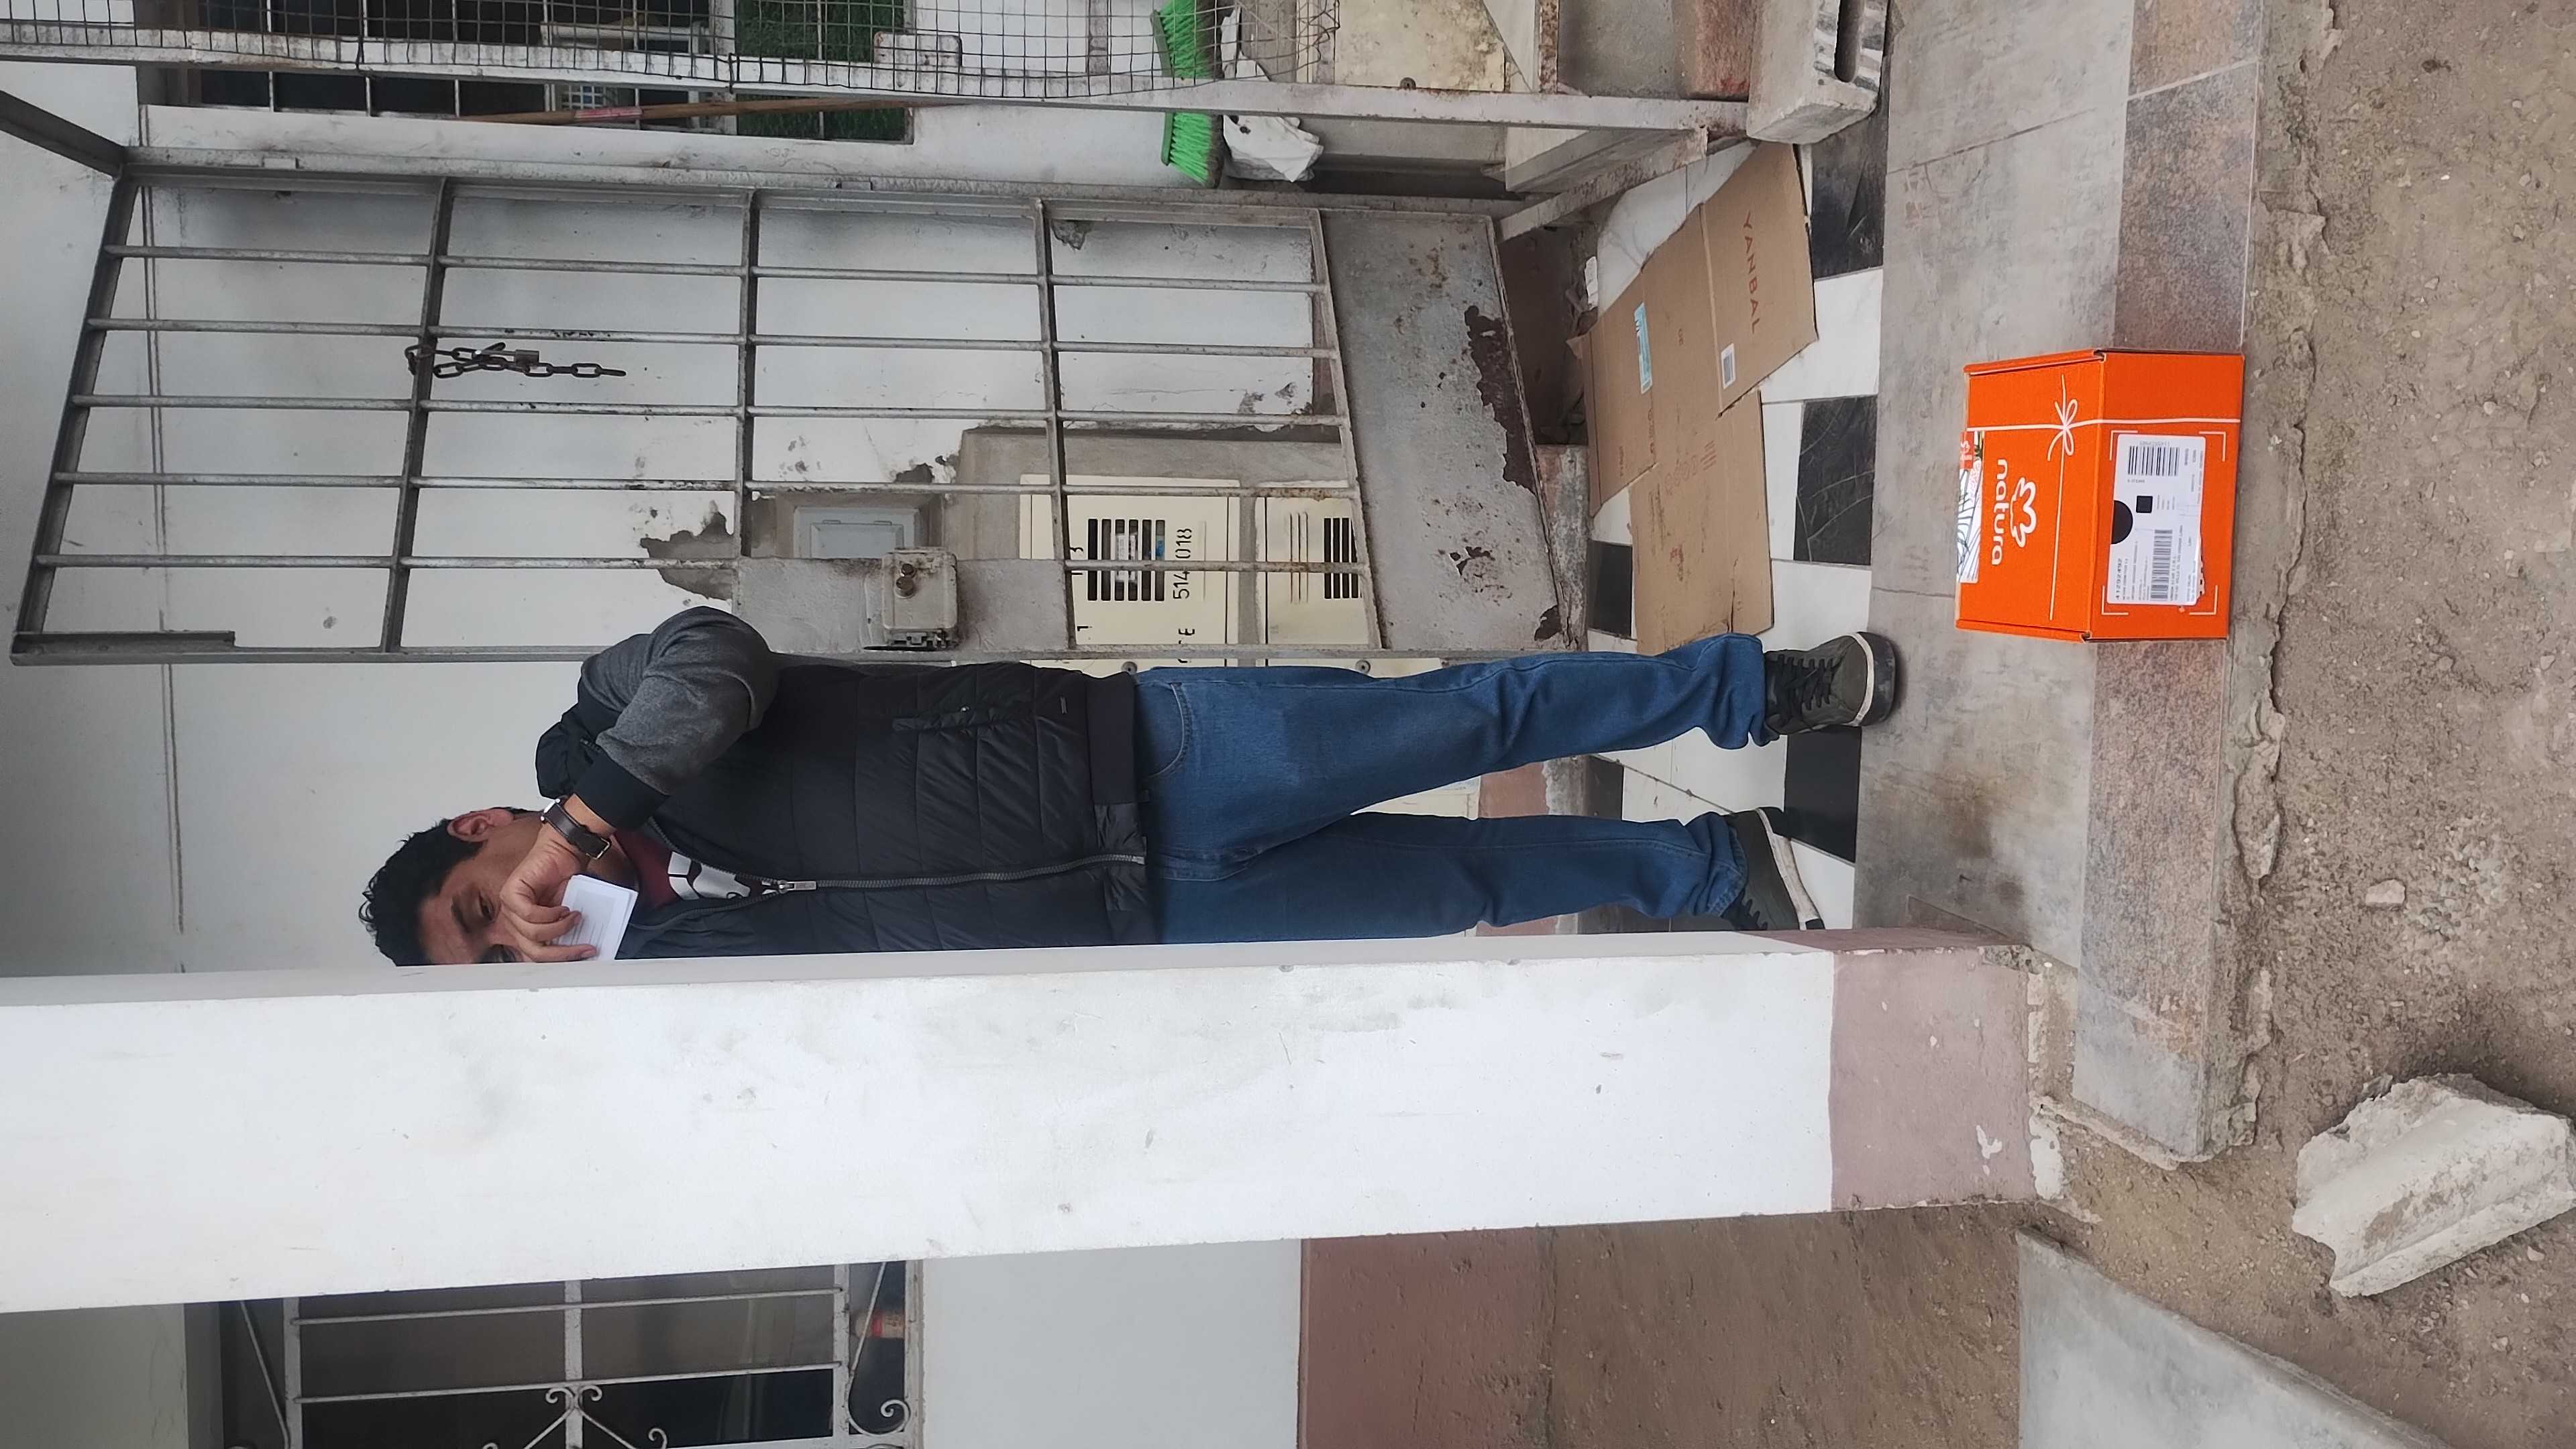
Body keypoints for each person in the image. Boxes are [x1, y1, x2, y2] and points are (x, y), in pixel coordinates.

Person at [362, 607, 1900, 965]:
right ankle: (1710, 871)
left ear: (481, 833)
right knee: (1463, 888)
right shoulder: (661, 975)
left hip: (1145, 756)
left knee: (1466, 718)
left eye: (477, 908)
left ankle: (1749, 690)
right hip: (1137, 915)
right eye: (493, 960)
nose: (517, 931)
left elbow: (721, 655)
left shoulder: (605, 726)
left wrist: (585, 823)